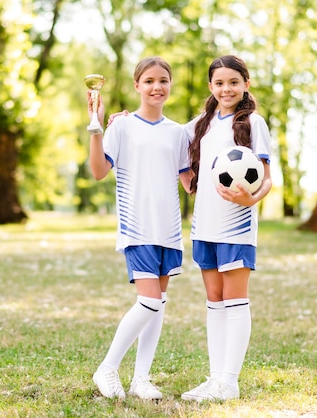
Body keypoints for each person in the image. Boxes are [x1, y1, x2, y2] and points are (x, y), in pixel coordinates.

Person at [86, 57, 191, 400]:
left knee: (158, 303)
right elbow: (99, 171)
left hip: (169, 231)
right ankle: (107, 367)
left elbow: (190, 182)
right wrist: (97, 128)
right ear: (137, 86)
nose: (157, 86)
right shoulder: (122, 127)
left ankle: (141, 379)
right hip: (137, 227)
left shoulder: (178, 133)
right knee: (147, 302)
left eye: (163, 80)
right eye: (148, 81)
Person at [180, 55, 273, 402]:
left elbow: (266, 178)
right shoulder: (201, 124)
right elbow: (166, 138)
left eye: (233, 82)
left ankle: (229, 382)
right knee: (214, 302)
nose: (226, 89)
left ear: (246, 84)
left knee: (235, 301)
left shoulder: (253, 123)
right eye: (219, 83)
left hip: (236, 227)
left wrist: (253, 200)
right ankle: (215, 379)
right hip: (204, 226)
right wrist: (124, 120)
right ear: (211, 87)